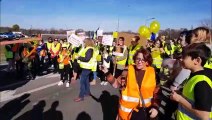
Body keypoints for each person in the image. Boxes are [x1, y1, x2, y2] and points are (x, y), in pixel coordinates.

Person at [101, 48, 159, 120]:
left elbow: (157, 93)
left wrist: (155, 107)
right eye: (138, 59)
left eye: (143, 59)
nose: (140, 62)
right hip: (126, 114)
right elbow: (117, 84)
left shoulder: (153, 73)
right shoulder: (127, 70)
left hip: (144, 113)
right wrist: (107, 73)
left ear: (147, 61)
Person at [170, 43, 212, 120]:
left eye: (184, 57)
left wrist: (180, 99)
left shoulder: (202, 82)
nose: (181, 59)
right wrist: (181, 94)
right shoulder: (194, 75)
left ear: (197, 60)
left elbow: (204, 116)